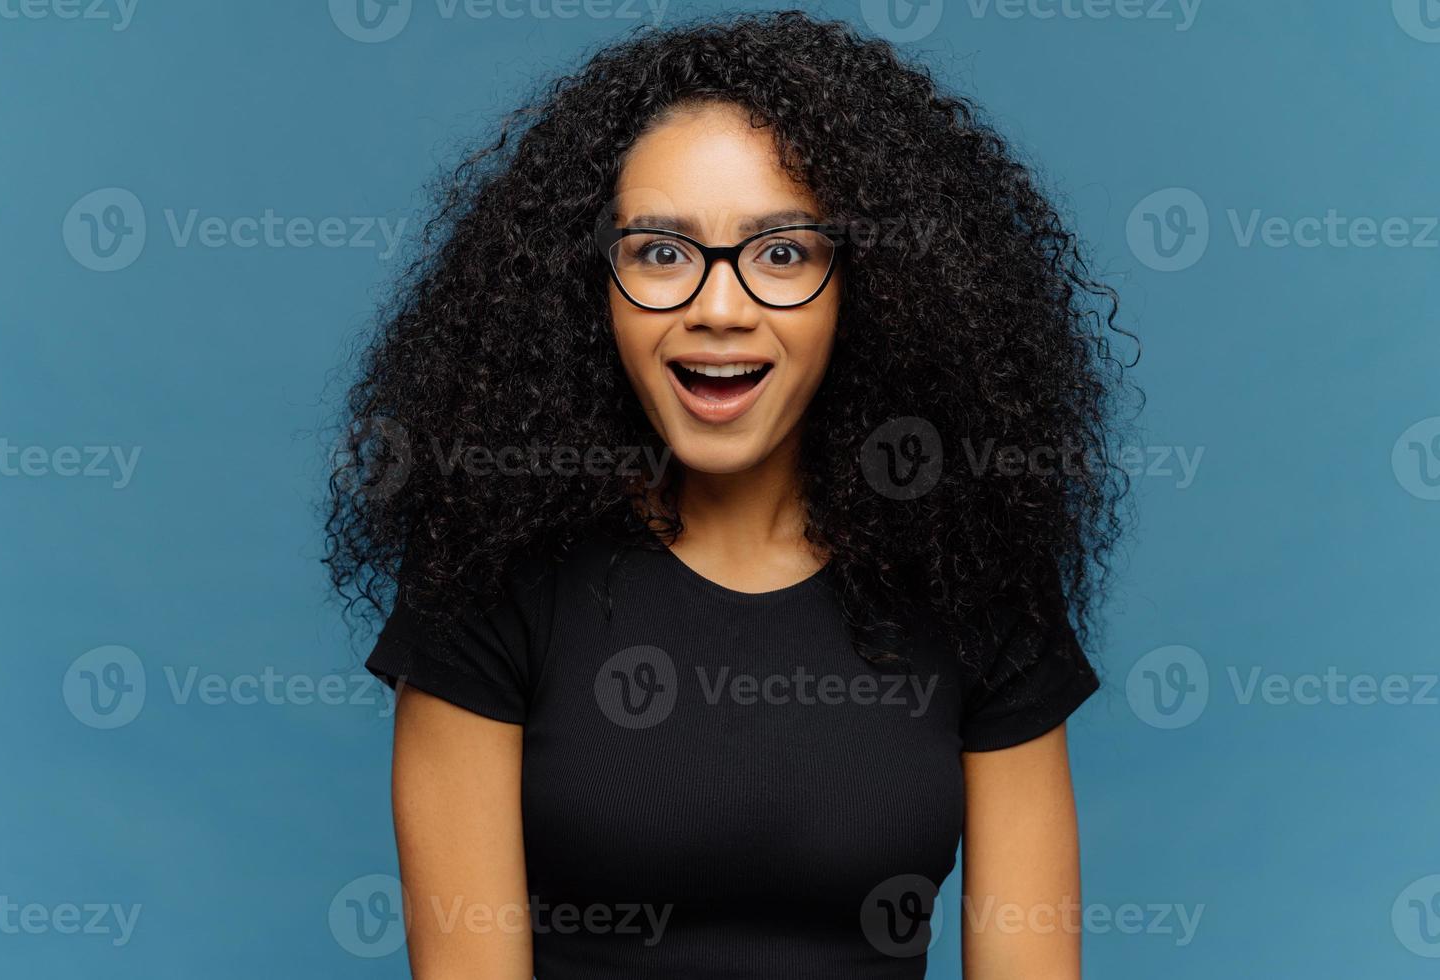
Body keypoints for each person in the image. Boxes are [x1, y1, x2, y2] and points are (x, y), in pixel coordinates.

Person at [325, 11, 1136, 978]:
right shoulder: (492, 575)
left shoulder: (974, 579)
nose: (719, 306)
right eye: (660, 252)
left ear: (866, 286)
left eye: (783, 253)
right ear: (594, 288)